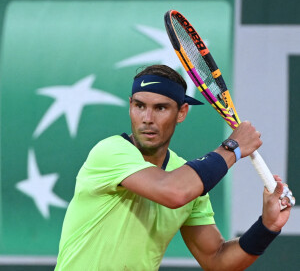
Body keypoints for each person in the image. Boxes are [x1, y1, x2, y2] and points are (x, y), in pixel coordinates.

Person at [55, 64, 294, 271]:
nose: (147, 118)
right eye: (139, 106)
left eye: (160, 108)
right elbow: (173, 192)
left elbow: (217, 260)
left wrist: (267, 226)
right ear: (130, 106)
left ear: (181, 112)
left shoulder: (189, 180)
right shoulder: (109, 152)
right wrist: (233, 148)